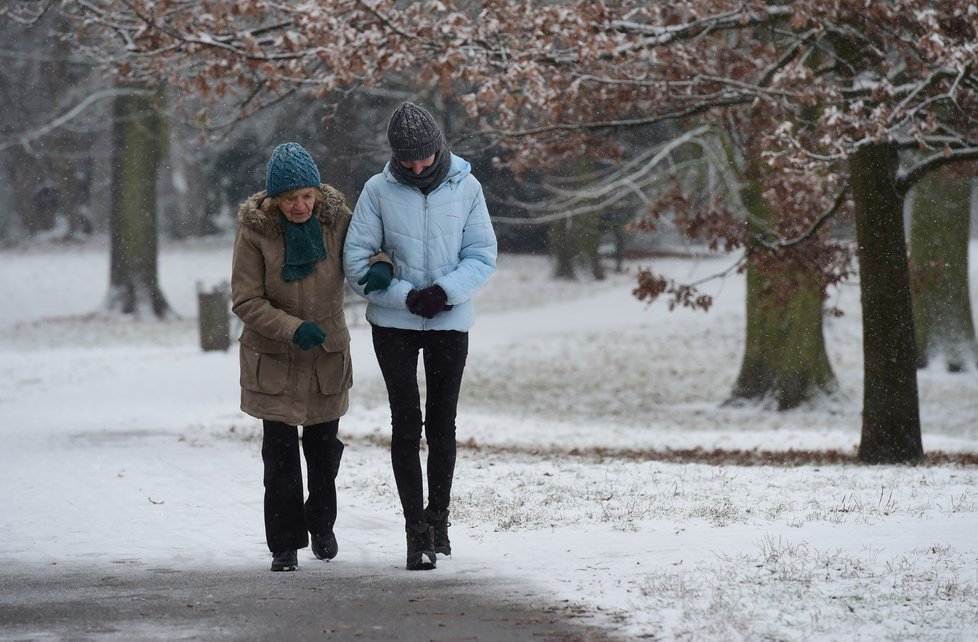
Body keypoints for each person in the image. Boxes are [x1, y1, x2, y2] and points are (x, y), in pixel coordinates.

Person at [343, 102, 497, 571]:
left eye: (424, 157)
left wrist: (445, 292)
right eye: (407, 159)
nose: (416, 166)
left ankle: (440, 518)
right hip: (395, 325)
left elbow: (482, 254)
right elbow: (356, 261)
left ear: (439, 148)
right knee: (406, 424)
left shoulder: (467, 187)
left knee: (442, 423)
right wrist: (405, 296)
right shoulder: (377, 191)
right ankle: (416, 532)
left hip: (449, 321)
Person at [231, 142, 390, 572]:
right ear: (274, 200)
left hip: (325, 357)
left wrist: (379, 264)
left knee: (323, 454)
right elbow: (245, 300)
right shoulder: (255, 231)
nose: (300, 206)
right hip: (274, 359)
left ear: (317, 194)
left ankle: (321, 523)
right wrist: (291, 328)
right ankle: (284, 544)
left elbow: (371, 249)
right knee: (279, 458)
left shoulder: (337, 221)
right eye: (289, 198)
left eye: (306, 196)